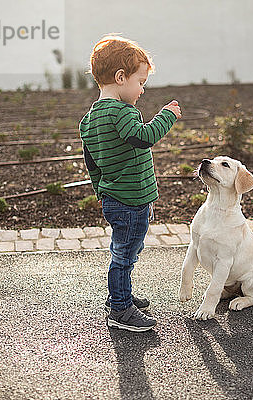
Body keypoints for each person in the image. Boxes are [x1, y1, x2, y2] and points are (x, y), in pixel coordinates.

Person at [80, 35, 182, 332]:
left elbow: (91, 163)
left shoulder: (89, 120)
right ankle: (120, 309)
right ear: (120, 78)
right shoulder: (122, 113)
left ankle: (120, 295)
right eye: (140, 82)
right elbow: (144, 137)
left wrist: (101, 191)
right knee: (124, 255)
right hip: (131, 202)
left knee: (124, 251)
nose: (142, 89)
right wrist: (167, 115)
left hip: (116, 199)